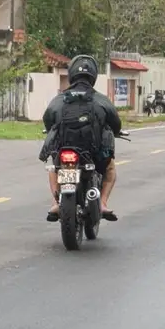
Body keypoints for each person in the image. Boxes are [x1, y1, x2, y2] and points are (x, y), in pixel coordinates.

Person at [39, 55, 122, 223]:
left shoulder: (59, 99)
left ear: (71, 75)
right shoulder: (101, 100)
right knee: (110, 169)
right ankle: (102, 203)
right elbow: (116, 124)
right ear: (93, 76)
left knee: (54, 168)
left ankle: (57, 203)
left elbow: (48, 120)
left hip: (64, 151)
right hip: (93, 153)